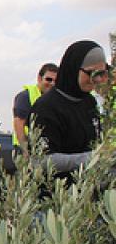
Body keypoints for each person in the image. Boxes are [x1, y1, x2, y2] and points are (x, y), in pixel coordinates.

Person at [32, 40, 108, 181]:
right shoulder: (46, 107)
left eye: (101, 73)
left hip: (88, 190)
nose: (96, 79)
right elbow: (41, 161)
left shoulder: (89, 101)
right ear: (73, 69)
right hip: (57, 196)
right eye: (91, 73)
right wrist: (92, 157)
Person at [12, 63, 58, 154]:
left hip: (46, 150)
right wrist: (26, 151)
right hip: (25, 149)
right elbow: (19, 125)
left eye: (56, 80)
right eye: (49, 79)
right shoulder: (25, 96)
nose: (52, 83)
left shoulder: (56, 99)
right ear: (39, 78)